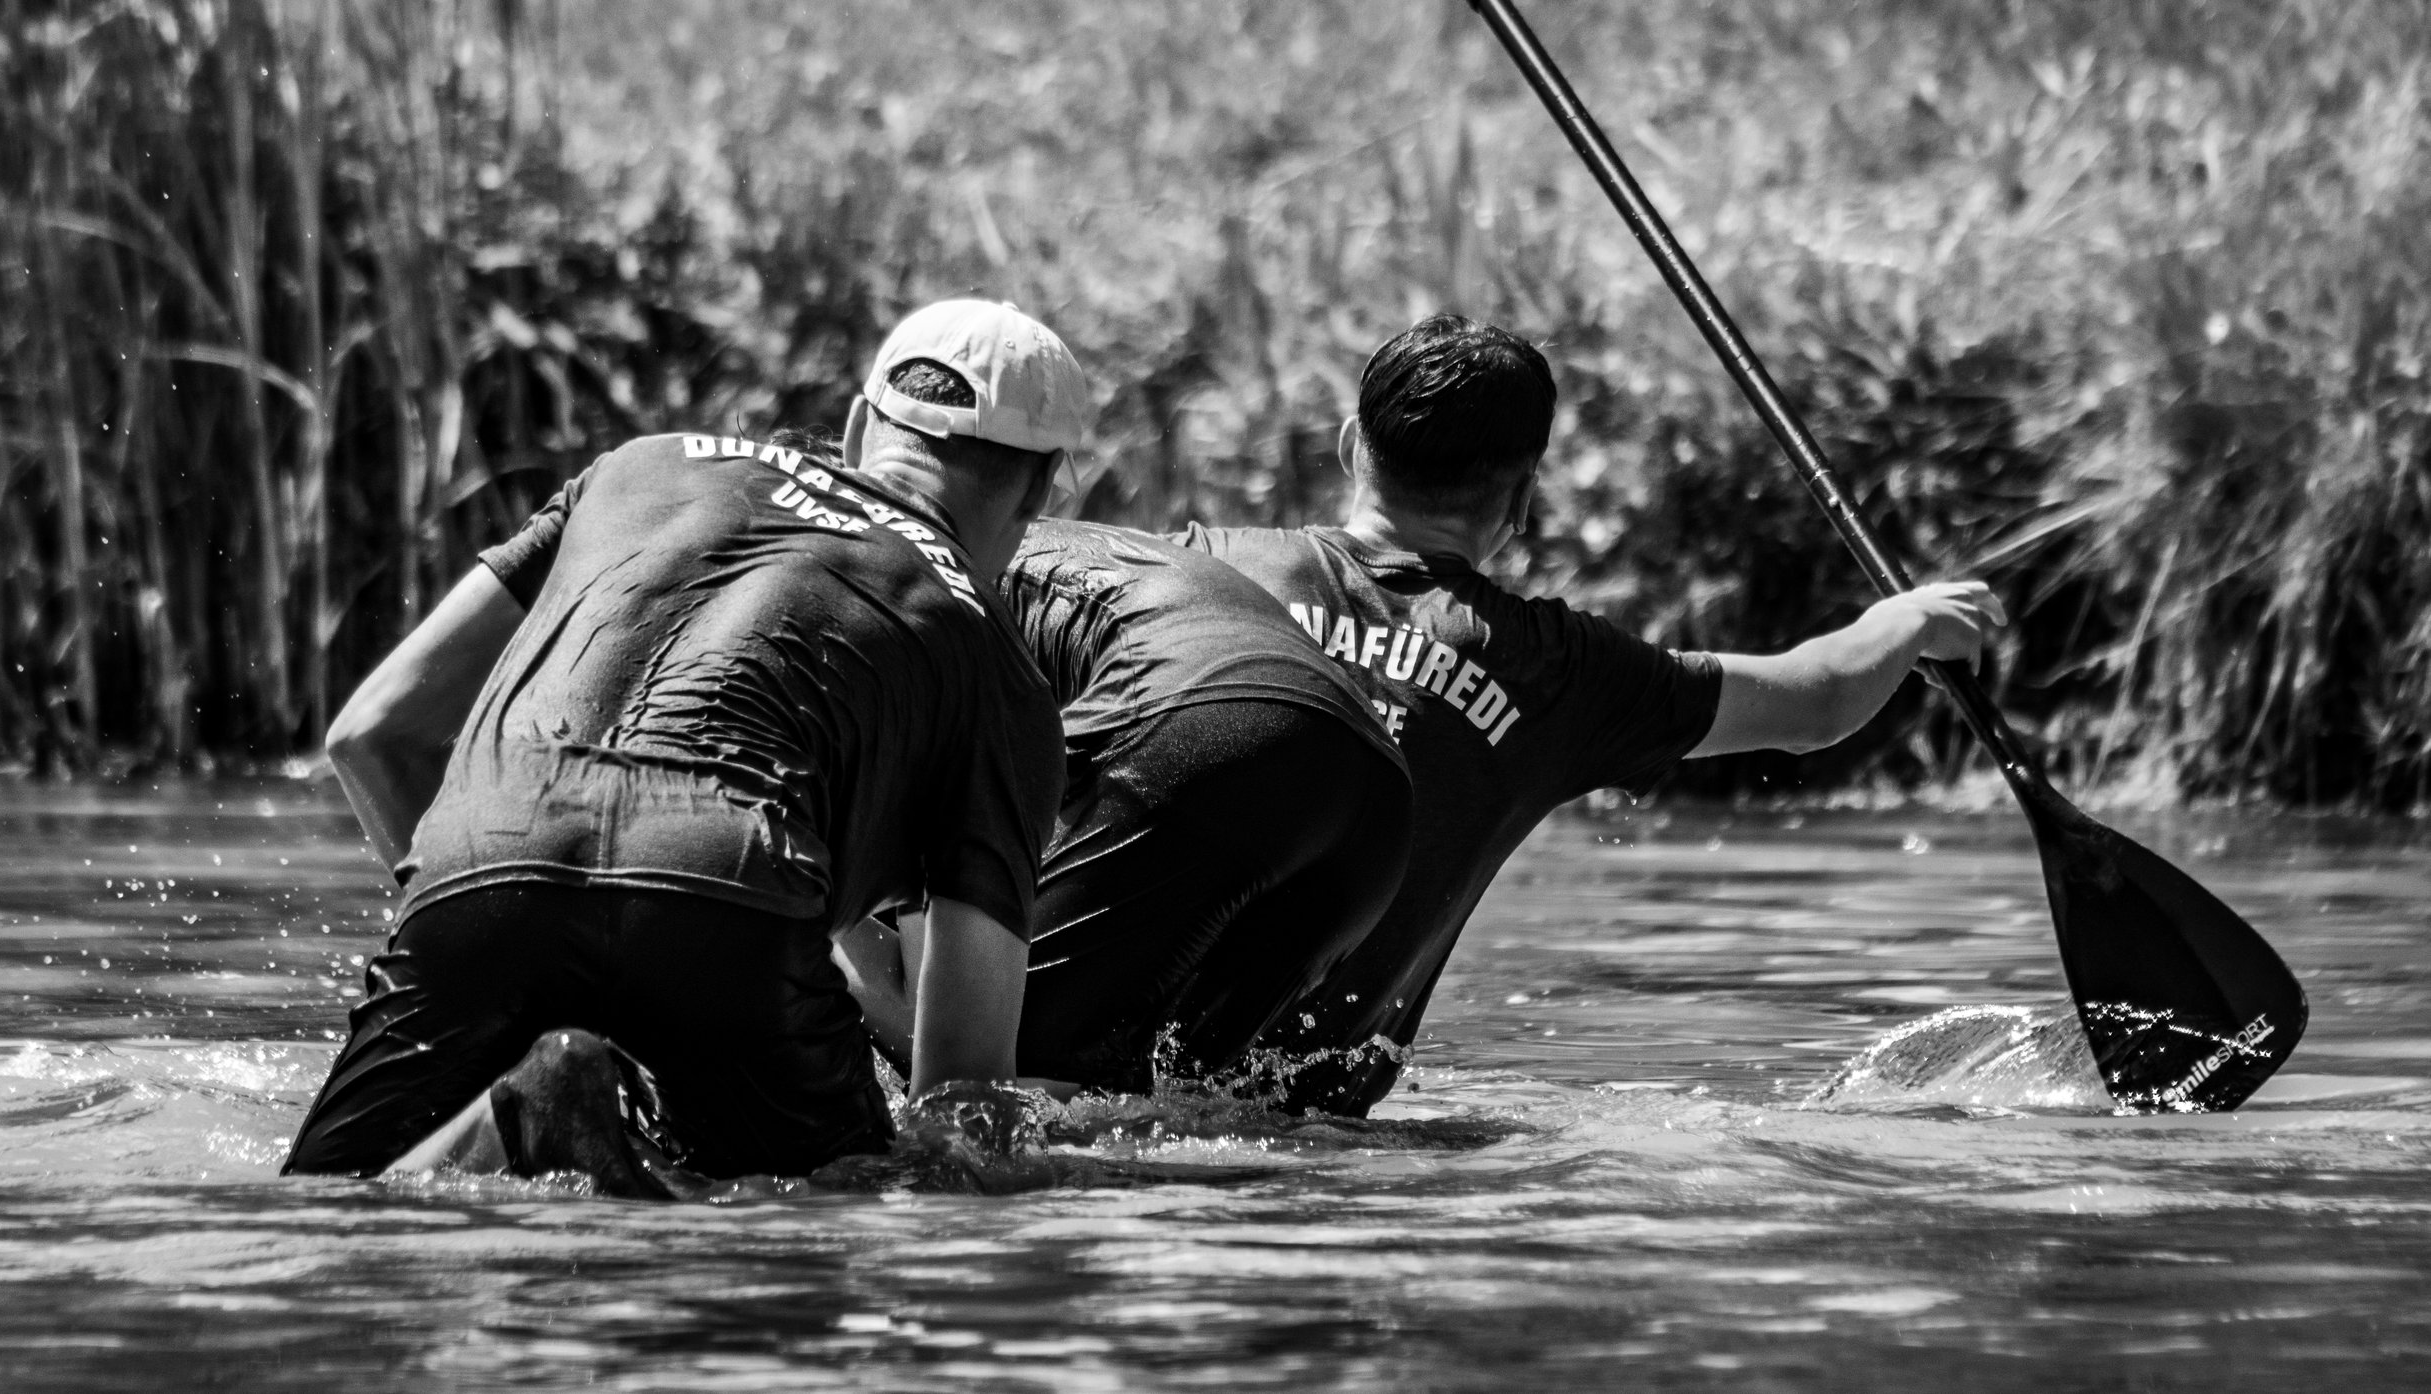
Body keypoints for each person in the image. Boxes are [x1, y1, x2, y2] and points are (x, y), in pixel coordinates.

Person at [283, 298, 1088, 1191]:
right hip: (729, 885)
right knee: (897, 1185)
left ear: (861, 426)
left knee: (329, 1212)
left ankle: (526, 1110)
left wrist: (500, 924)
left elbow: (371, 731)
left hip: (484, 851)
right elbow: (963, 1095)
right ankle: (550, 1102)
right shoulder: (1001, 672)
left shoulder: (640, 466)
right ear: (1043, 488)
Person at [1180, 315, 2005, 1115]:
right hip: (1295, 1126)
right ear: (1524, 497)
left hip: (1092, 1074)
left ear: (1351, 445)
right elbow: (1816, 701)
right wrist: (1911, 619)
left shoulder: (1192, 568)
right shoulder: (1557, 673)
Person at [843, 519, 1413, 1097]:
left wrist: (781, 903)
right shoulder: (970, 544)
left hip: (1210, 719)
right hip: (1376, 793)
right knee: (1181, 1099)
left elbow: (933, 1023)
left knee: (983, 1082)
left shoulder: (893, 600)